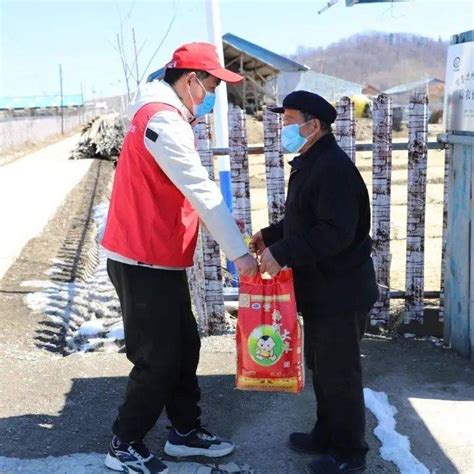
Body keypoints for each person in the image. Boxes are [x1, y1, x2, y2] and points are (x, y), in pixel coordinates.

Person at [101, 42, 258, 474]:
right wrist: (241, 257)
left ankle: (185, 432)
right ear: (189, 79)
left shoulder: (160, 115)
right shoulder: (163, 123)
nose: (212, 95)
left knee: (185, 346)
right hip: (141, 258)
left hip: (158, 256)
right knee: (159, 358)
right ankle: (124, 442)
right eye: (210, 85)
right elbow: (203, 193)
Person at [250, 91, 379, 474]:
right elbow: (304, 220)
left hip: (341, 292)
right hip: (322, 292)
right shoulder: (311, 162)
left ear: (314, 125)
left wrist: (284, 251)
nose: (283, 128)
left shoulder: (333, 168)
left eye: (289, 120)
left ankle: (350, 453)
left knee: (340, 375)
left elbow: (335, 232)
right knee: (321, 369)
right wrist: (271, 236)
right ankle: (326, 434)